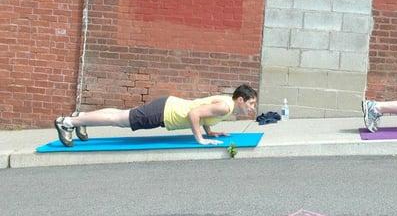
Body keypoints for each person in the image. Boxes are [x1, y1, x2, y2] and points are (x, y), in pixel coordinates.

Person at [54, 84, 258, 147]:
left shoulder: (227, 104)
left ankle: (79, 117)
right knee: (119, 120)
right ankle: (68, 122)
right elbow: (195, 113)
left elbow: (203, 112)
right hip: (165, 112)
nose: (251, 108)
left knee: (120, 115)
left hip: (167, 107)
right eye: (250, 103)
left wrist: (210, 131)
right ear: (240, 99)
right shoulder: (225, 107)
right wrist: (201, 139)